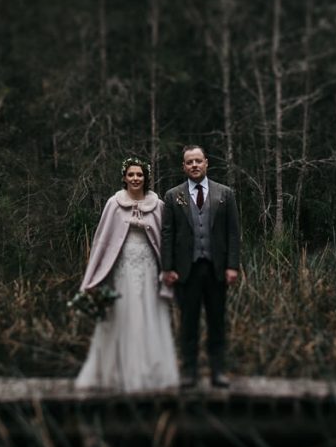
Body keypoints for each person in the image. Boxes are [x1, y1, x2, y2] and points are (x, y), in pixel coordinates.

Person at [74, 157, 179, 392]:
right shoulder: (114, 203)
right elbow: (102, 241)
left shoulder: (158, 204)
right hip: (122, 265)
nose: (135, 178)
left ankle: (150, 372)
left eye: (139, 175)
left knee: (149, 312)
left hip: (150, 265)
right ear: (124, 177)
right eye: (131, 175)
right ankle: (118, 373)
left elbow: (165, 239)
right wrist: (94, 277)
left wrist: (169, 268)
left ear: (145, 178)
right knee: (123, 313)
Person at [161, 145, 240, 389]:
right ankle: (190, 372)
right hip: (187, 269)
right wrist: (168, 268)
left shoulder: (225, 193)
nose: (194, 165)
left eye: (198, 161)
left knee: (217, 320)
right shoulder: (173, 196)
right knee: (188, 322)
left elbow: (233, 233)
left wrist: (232, 266)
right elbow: (167, 234)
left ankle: (217, 371)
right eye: (189, 162)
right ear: (183, 167)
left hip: (216, 269)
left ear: (206, 163)